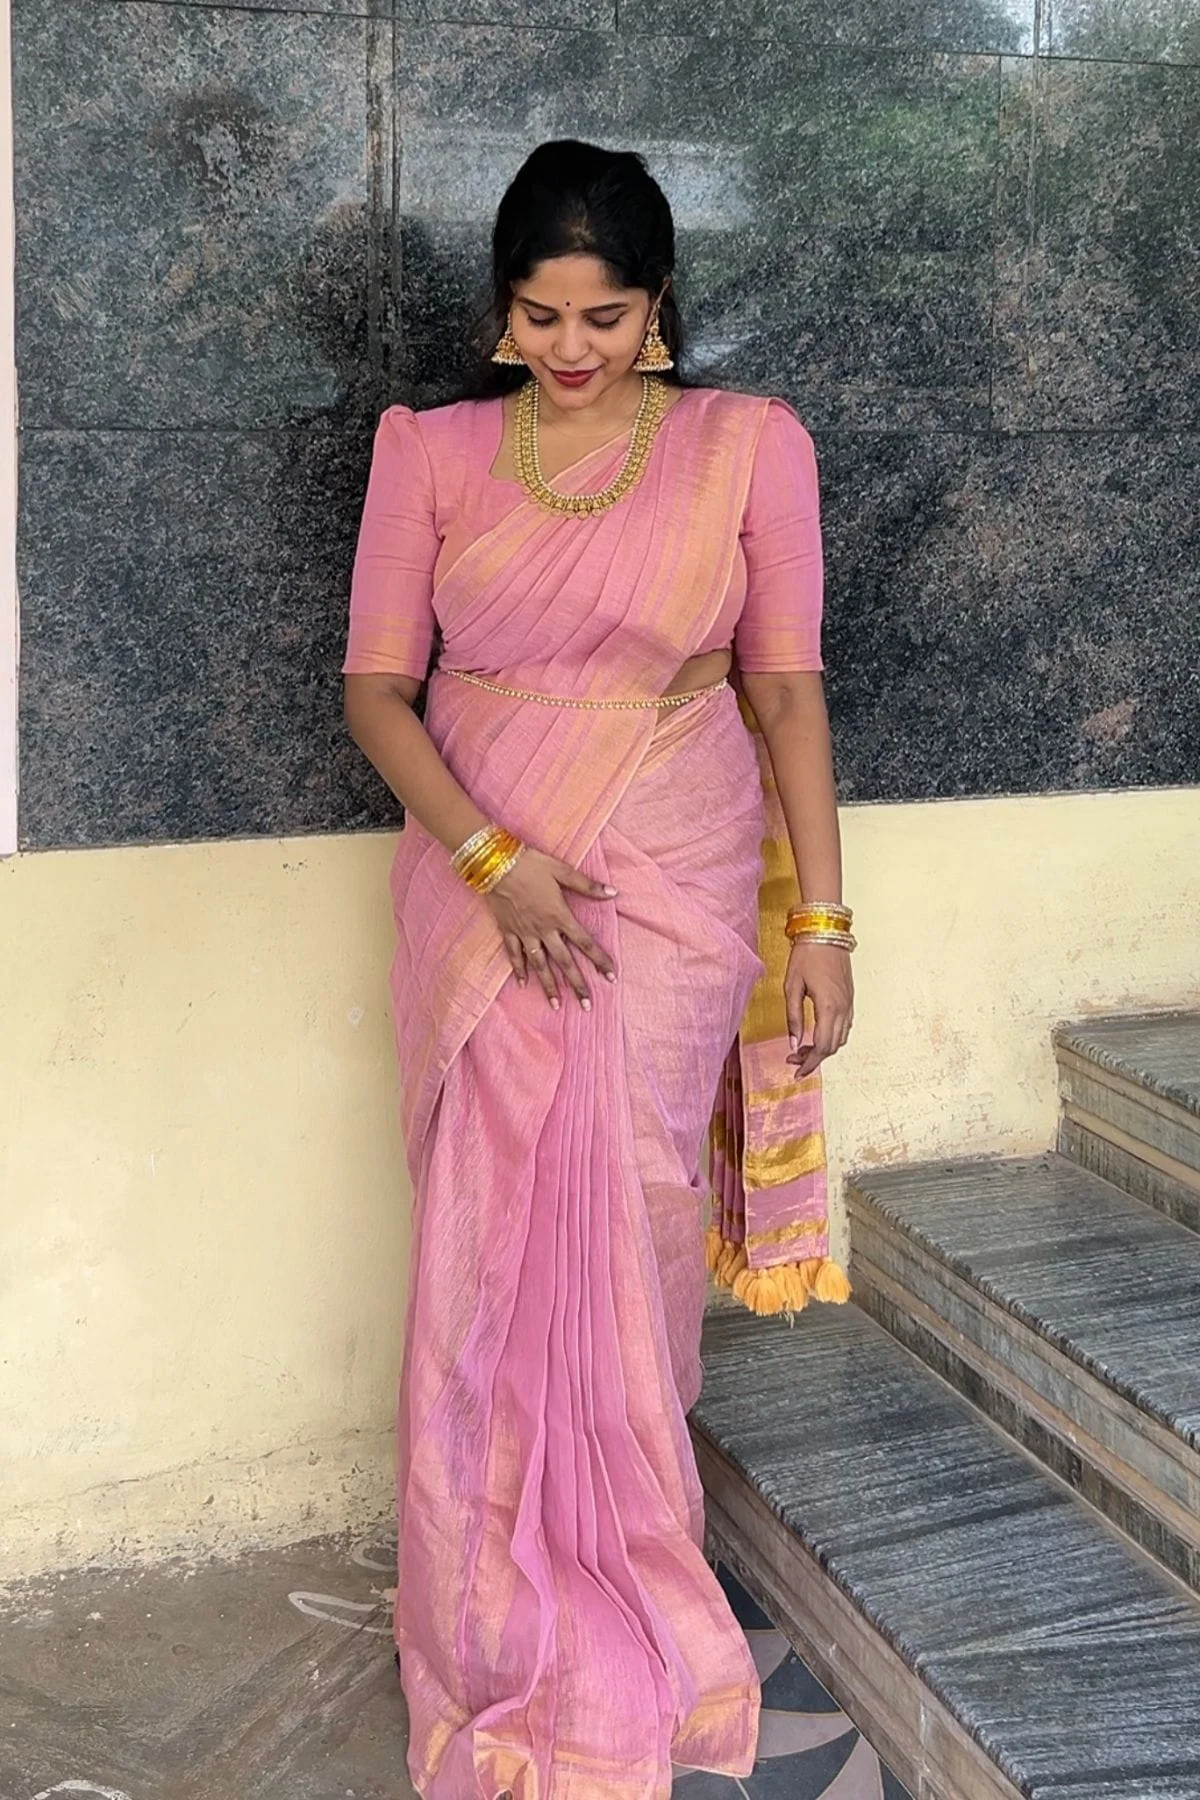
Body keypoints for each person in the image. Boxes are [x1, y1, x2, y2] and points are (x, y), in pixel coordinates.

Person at [342, 138, 854, 1800]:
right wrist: (495, 865)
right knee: (484, 1261)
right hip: (483, 880)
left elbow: (786, 692)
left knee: (632, 1225)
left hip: (675, 873)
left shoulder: (749, 447)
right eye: (541, 314)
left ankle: (629, 1588)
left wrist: (823, 926)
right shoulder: (429, 451)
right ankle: (494, 1631)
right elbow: (375, 695)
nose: (571, 348)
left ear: (659, 308)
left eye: (607, 316)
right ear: (502, 309)